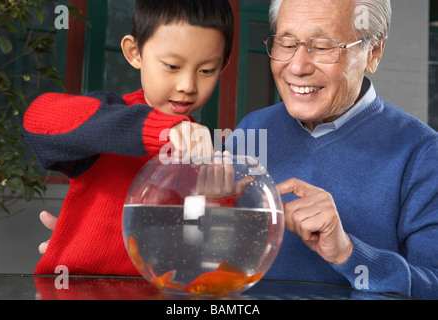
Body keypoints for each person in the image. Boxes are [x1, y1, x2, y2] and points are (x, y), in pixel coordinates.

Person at [225, 0, 438, 299]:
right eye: (286, 44)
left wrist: (348, 253)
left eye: (323, 47)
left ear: (373, 53)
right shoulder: (250, 130)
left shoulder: (424, 154)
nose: (297, 67)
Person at [23, 0, 234, 276]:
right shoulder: (109, 118)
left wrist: (217, 203)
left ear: (223, 65)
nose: (188, 86)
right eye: (172, 66)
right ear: (135, 53)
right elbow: (38, 119)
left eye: (206, 70)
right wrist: (157, 129)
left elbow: (204, 256)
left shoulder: (207, 152)